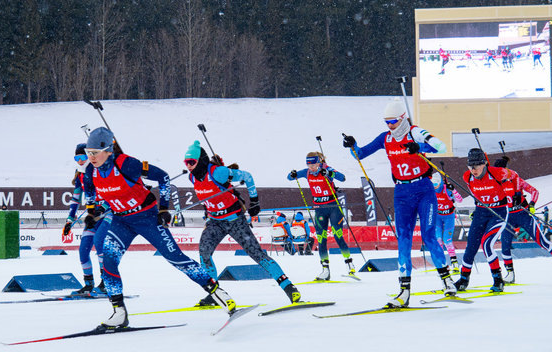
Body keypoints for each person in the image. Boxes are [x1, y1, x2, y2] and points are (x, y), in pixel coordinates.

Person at [81, 127, 238, 329]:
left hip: (147, 218)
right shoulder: (90, 171)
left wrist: (164, 208)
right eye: (88, 152)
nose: (91, 157)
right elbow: (93, 196)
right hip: (121, 221)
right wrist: (92, 213)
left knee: (177, 259)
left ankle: (219, 294)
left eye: (95, 152)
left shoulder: (127, 164)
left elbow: (163, 177)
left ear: (109, 150)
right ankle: (118, 313)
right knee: (108, 261)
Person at [343, 99, 454, 307]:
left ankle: (447, 280)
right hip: (402, 192)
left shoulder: (415, 132)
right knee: (403, 240)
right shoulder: (385, 137)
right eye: (386, 122)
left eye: (393, 121)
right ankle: (404, 291)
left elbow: (441, 146)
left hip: (424, 190)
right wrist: (352, 145)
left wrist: (419, 146)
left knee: (429, 236)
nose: (390, 125)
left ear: (402, 118)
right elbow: (361, 154)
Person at [183, 141, 300, 305]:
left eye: (191, 162)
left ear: (200, 160)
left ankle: (289, 288)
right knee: (204, 252)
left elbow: (247, 176)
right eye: (186, 163)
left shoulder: (218, 173)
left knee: (256, 254)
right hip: (215, 221)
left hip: (235, 219)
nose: (188, 166)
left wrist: (255, 202)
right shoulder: (192, 177)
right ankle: (215, 294)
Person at [493, 156, 552, 283]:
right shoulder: (495, 183)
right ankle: (510, 274)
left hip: (523, 215)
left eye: (499, 171)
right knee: (504, 244)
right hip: (508, 217)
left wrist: (531, 204)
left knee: (542, 242)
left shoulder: (516, 180)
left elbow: (534, 191)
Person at [287, 151, 356, 280]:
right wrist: (292, 174)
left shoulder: (326, 168)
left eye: (314, 164)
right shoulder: (307, 172)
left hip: (333, 207)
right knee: (321, 239)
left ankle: (349, 264)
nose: (312, 168)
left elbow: (342, 177)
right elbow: (289, 178)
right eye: (309, 165)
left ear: (319, 162)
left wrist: (329, 174)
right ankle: (325, 270)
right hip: (319, 209)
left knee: (337, 235)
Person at [453, 149, 512, 292]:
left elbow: (512, 177)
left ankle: (498, 280)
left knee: (487, 244)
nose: (473, 170)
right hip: (481, 211)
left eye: (477, 166)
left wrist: (509, 188)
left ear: (484, 163)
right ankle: (464, 279)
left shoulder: (497, 172)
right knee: (471, 246)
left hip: (498, 212)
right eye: (470, 166)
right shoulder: (467, 176)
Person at [63, 143, 108, 295]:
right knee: (83, 250)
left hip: (105, 214)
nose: (80, 161)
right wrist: (69, 219)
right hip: (92, 216)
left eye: (83, 157)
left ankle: (105, 283)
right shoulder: (80, 174)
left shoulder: (99, 171)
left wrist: (101, 208)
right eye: (77, 158)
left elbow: (110, 193)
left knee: (100, 245)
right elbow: (76, 198)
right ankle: (88, 284)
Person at [432, 172, 463, 272]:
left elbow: (460, 200)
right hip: (438, 217)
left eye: (436, 184)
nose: (435, 187)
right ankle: (442, 263)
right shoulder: (431, 190)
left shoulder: (446, 189)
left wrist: (453, 190)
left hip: (449, 217)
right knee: (438, 240)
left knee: (447, 240)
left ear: (440, 183)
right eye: (433, 184)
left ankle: (454, 263)